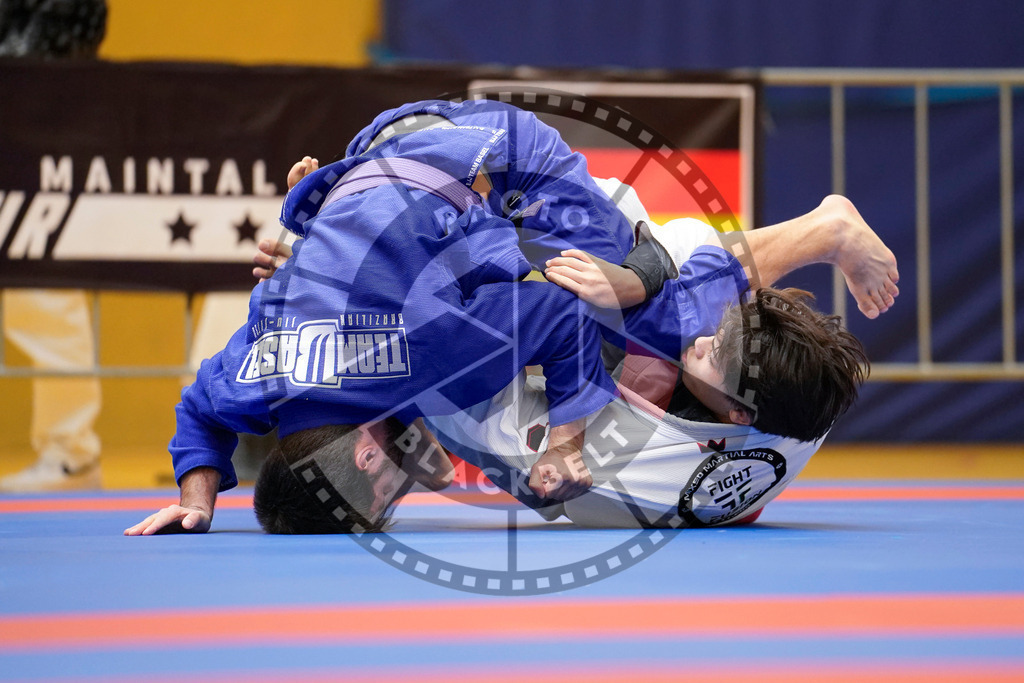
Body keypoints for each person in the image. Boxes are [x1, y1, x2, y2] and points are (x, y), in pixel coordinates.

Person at [125, 145, 618, 537]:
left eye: (384, 495)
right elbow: (196, 409)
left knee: (621, 298)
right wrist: (196, 504)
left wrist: (564, 444)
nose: (395, 494)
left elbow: (564, 314)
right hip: (347, 175)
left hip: (470, 154)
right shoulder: (252, 383)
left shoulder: (430, 355)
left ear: (365, 457)